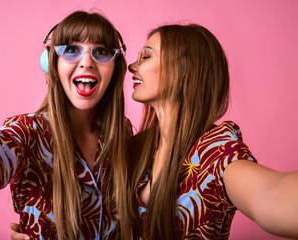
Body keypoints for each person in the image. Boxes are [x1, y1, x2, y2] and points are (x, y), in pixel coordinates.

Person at [0, 10, 132, 240]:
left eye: (100, 52)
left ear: (115, 67)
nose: (87, 63)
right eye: (71, 50)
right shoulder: (28, 131)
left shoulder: (122, 133)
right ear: (51, 63)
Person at [127, 23, 298, 239]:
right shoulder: (139, 147)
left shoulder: (215, 150)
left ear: (182, 68)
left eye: (146, 57)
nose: (132, 66)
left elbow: (270, 194)